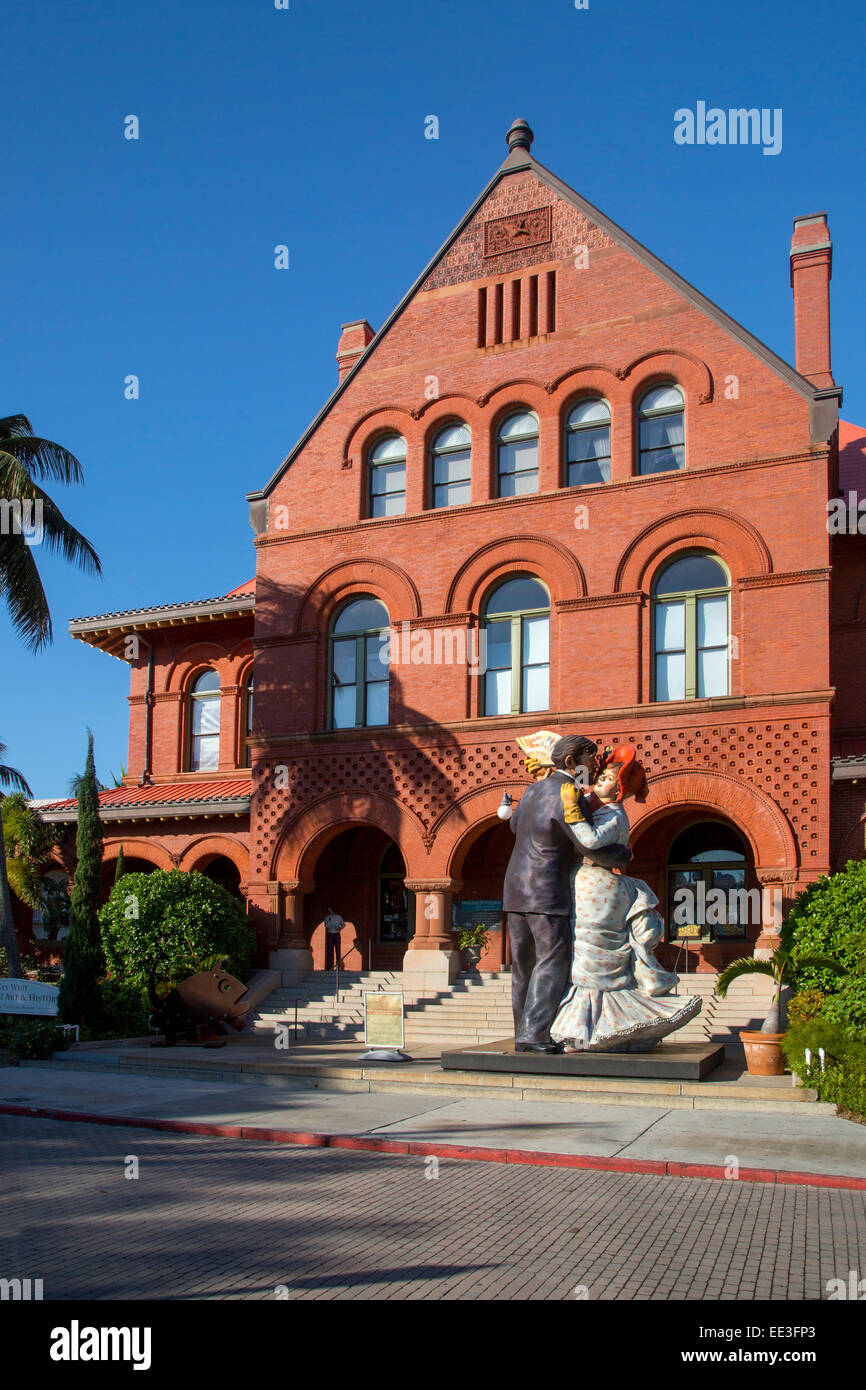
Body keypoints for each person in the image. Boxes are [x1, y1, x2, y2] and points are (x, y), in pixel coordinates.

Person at [551, 746, 701, 1052]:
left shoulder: (615, 814)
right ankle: (590, 1028)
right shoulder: (602, 810)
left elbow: (590, 841)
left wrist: (573, 814)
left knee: (592, 958)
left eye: (606, 779)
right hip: (588, 884)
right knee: (585, 954)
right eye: (600, 776)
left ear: (619, 791)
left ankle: (591, 1030)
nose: (598, 782)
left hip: (600, 889)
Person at [502, 734, 630, 1053]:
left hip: (515, 889)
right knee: (552, 962)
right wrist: (622, 855)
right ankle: (535, 1035)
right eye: (592, 758)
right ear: (571, 762)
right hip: (546, 890)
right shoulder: (569, 791)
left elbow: (514, 826)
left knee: (523, 966)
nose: (596, 764)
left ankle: (523, 1032)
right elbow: (585, 843)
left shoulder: (532, 789)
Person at [323, 906, 345, 970]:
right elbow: (326, 926)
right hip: (330, 934)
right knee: (330, 950)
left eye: (330, 910)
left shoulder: (339, 917)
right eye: (328, 910)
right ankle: (330, 966)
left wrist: (340, 927)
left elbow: (343, 924)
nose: (330, 911)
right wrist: (329, 920)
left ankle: (338, 966)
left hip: (337, 934)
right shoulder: (327, 917)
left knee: (338, 950)